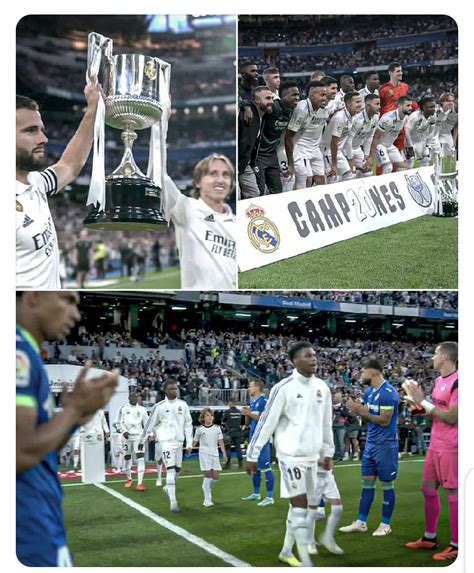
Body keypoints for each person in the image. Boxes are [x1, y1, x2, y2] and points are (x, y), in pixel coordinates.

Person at [16, 291, 118, 566]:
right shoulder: (17, 353)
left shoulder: (28, 352)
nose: (75, 314)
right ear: (34, 296)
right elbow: (17, 453)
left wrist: (77, 416)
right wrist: (73, 409)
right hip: (26, 528)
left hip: (39, 517)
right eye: (67, 300)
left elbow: (40, 449)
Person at [246, 341, 334, 567]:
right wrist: (252, 454)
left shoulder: (322, 387)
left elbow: (326, 424)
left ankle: (286, 550)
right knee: (300, 504)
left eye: (314, 355)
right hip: (290, 457)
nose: (314, 359)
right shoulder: (282, 388)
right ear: (295, 361)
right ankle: (295, 553)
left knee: (304, 506)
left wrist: (328, 452)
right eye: (308, 356)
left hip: (313, 457)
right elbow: (266, 423)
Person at [16, 79, 101, 289]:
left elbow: (71, 165)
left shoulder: (36, 182)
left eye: (41, 129)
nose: (44, 138)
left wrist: (92, 111)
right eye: (30, 131)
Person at [404, 342, 458, 562]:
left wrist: (423, 401)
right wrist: (417, 408)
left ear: (445, 356)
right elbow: (434, 414)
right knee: (427, 489)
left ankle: (456, 545)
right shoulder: (438, 381)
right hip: (435, 445)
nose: (432, 357)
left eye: (435, 353)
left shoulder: (460, 382)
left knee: (453, 494)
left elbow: (452, 417)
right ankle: (429, 537)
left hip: (452, 446)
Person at [339, 357, 399, 537]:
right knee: (367, 484)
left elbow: (384, 420)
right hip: (371, 444)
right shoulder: (370, 392)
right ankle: (361, 522)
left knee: (387, 485)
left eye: (363, 370)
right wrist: (357, 410)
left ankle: (385, 524)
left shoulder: (388, 392)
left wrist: (362, 411)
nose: (361, 374)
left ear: (373, 371)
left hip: (385, 445)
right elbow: (366, 418)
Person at [162, 154, 236, 289]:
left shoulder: (239, 225)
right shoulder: (187, 209)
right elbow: (161, 179)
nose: (220, 180)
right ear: (197, 182)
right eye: (213, 174)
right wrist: (158, 134)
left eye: (226, 175)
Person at [140, 380, 193, 512]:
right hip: (166, 443)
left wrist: (189, 442)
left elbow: (188, 424)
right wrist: (142, 439)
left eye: (175, 388)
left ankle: (167, 488)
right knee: (170, 470)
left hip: (179, 443)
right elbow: (150, 424)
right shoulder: (159, 407)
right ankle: (173, 503)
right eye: (170, 389)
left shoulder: (183, 405)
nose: (174, 391)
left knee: (177, 471)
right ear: (165, 390)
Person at [254, 81, 300, 194]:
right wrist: (246, 107)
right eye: (294, 95)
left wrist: (290, 163)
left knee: (277, 190)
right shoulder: (273, 106)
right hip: (258, 155)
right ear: (283, 96)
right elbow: (256, 105)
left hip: (272, 154)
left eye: (298, 95)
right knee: (259, 190)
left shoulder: (291, 111)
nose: (297, 98)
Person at [284, 80, 329, 188]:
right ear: (312, 95)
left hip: (309, 146)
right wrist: (290, 162)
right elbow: (289, 137)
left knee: (318, 178)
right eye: (322, 95)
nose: (324, 98)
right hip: (295, 146)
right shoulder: (301, 109)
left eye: (325, 95)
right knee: (304, 177)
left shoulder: (316, 108)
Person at [241, 380, 275, 507]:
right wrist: (246, 413)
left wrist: (249, 413)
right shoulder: (253, 402)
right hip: (253, 438)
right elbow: (247, 423)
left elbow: (265, 419)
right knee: (254, 467)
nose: (249, 388)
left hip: (262, 440)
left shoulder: (263, 402)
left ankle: (270, 497)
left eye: (250, 386)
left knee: (266, 467)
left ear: (257, 387)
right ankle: (256, 493)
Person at [238, 86, 274, 199]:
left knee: (254, 194)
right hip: (237, 163)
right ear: (257, 101)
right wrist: (245, 106)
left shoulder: (262, 115)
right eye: (267, 98)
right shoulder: (246, 115)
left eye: (272, 98)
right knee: (237, 196)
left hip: (246, 164)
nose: (271, 102)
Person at [322, 91, 363, 182]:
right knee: (333, 178)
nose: (360, 105)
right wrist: (334, 165)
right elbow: (334, 142)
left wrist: (350, 158)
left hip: (338, 152)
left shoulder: (353, 117)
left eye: (360, 102)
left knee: (350, 176)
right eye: (357, 102)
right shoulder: (340, 118)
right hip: (327, 152)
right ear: (348, 104)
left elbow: (348, 139)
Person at [366, 95, 413, 174]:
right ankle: (380, 185)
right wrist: (371, 156)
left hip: (390, 146)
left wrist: (409, 147)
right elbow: (376, 137)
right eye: (408, 105)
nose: (410, 108)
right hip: (379, 145)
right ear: (400, 106)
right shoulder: (387, 119)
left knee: (404, 167)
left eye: (411, 105)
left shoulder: (405, 118)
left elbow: (405, 134)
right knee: (388, 167)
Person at [308, 458, 344, 556]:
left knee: (338, 508)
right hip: (313, 475)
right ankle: (310, 541)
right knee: (312, 510)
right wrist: (320, 463)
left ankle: (327, 538)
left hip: (328, 475)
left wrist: (330, 463)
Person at [192, 408, 227, 507]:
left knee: (216, 477)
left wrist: (224, 453)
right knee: (207, 475)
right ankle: (207, 500)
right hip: (204, 454)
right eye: (207, 415)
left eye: (211, 415)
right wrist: (190, 447)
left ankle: (206, 487)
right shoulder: (199, 429)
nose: (210, 417)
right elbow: (195, 441)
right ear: (203, 417)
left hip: (215, 454)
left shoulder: (217, 428)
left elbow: (221, 442)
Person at [116, 392, 149, 491]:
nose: (135, 398)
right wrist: (124, 431)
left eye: (136, 397)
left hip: (138, 437)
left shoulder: (142, 410)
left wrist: (150, 434)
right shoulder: (123, 408)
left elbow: (147, 423)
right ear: (129, 398)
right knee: (127, 457)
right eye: (133, 397)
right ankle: (129, 479)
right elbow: (118, 422)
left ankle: (140, 483)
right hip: (126, 437)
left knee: (140, 458)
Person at [344, 93, 381, 177]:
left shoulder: (376, 117)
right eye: (377, 104)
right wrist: (350, 158)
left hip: (357, 149)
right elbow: (348, 140)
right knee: (349, 174)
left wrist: (367, 155)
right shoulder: (357, 119)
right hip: (345, 149)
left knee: (368, 170)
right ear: (368, 106)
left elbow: (369, 137)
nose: (379, 107)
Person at [221, 398, 244, 469]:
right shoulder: (239, 412)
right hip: (237, 432)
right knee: (238, 448)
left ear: (230, 403)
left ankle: (227, 464)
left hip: (230, 432)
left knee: (228, 448)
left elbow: (223, 420)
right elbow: (242, 422)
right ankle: (240, 464)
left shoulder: (227, 411)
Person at [435, 93, 458, 158]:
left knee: (451, 155)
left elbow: (456, 125)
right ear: (442, 102)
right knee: (439, 156)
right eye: (448, 101)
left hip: (447, 134)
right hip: (436, 134)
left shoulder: (454, 111)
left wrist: (454, 140)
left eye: (452, 101)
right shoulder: (435, 110)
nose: (451, 103)